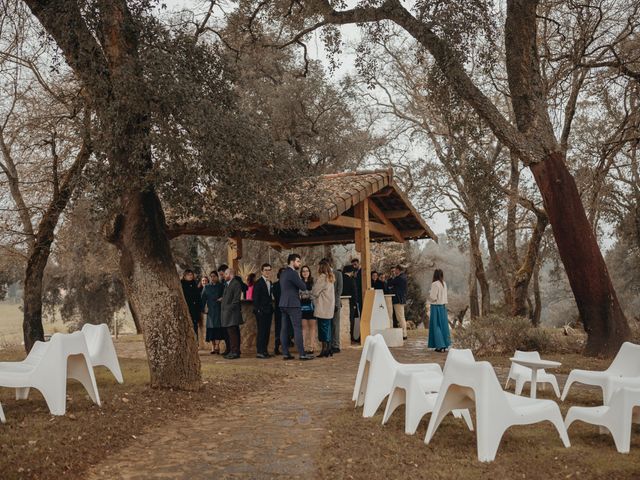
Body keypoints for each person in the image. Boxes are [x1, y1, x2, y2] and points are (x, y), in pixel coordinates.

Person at [279, 253, 313, 360]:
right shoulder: (293, 273)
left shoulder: (283, 273)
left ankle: (285, 353)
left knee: (284, 329)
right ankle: (302, 354)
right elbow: (303, 286)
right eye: (298, 261)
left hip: (283, 303)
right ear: (292, 262)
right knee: (297, 328)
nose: (299, 263)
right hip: (293, 304)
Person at [312, 260, 336, 358]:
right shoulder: (331, 278)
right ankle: (329, 349)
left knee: (323, 330)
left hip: (322, 308)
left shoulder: (322, 278)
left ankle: (324, 350)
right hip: (329, 308)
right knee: (328, 329)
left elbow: (315, 291)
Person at [320, 258, 343, 354]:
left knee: (335, 324)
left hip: (335, 304)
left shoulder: (338, 274)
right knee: (327, 325)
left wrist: (336, 304)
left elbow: (339, 290)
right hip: (325, 304)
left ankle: (336, 345)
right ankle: (328, 346)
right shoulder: (323, 275)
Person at [252, 263, 274, 359]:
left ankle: (265, 351)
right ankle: (260, 352)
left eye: (269, 270)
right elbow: (255, 299)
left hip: (268, 311)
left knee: (267, 332)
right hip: (261, 312)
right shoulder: (258, 283)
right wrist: (258, 310)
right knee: (261, 332)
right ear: (262, 271)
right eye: (265, 270)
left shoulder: (270, 282)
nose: (267, 272)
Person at [221, 268, 243, 359]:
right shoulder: (228, 284)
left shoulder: (236, 284)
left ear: (230, 274)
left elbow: (236, 300)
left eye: (225, 274)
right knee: (232, 333)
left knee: (233, 333)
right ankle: (234, 350)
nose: (224, 276)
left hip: (232, 313)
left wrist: (228, 308)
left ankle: (235, 352)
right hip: (228, 313)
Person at [427, 268, 450, 352]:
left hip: (436, 307)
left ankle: (439, 346)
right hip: (443, 307)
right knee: (443, 326)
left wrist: (429, 297)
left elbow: (433, 297)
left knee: (436, 326)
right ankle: (444, 345)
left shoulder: (435, 284)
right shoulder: (444, 283)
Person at [202, 271, 224, 354]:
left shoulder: (221, 286)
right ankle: (212, 346)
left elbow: (225, 295)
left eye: (214, 276)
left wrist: (222, 298)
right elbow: (203, 299)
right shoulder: (206, 287)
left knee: (218, 328)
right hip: (210, 310)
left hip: (219, 309)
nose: (212, 278)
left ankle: (217, 346)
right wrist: (203, 309)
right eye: (211, 276)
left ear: (217, 277)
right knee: (211, 329)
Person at [388, 265, 408, 340]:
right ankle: (404, 333)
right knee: (401, 317)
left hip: (398, 299)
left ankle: (404, 334)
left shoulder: (399, 278)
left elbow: (390, 283)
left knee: (400, 317)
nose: (394, 272)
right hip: (401, 299)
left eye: (395, 270)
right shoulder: (403, 277)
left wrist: (392, 277)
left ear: (398, 270)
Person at [300, 265, 316, 354]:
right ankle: (303, 347)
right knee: (304, 328)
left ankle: (311, 347)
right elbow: (299, 294)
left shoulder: (313, 282)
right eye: (303, 271)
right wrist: (307, 295)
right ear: (301, 273)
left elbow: (314, 294)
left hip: (312, 307)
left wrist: (305, 295)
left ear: (309, 272)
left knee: (312, 328)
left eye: (307, 271)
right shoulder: (299, 282)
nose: (305, 272)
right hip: (302, 307)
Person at [181, 269, 201, 338]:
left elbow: (198, 297)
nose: (190, 276)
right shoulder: (181, 284)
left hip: (194, 309)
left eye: (191, 275)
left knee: (195, 326)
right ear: (185, 276)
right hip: (186, 308)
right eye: (188, 275)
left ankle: (196, 343)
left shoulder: (194, 283)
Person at [341, 265, 358, 343]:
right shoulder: (351, 280)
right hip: (351, 302)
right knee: (351, 320)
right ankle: (350, 337)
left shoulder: (340, 278)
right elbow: (354, 292)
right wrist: (355, 303)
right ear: (351, 272)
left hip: (341, 301)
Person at [272, 267, 286, 355]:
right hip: (279, 310)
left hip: (288, 311)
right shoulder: (275, 285)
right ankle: (277, 347)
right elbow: (276, 296)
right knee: (278, 329)